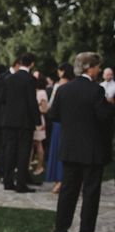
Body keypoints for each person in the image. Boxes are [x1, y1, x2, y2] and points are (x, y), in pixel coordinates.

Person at [50, 52, 115, 232]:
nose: (99, 71)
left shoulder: (63, 89)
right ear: (90, 67)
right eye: (97, 67)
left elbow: (55, 115)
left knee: (68, 192)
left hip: (70, 149)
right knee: (90, 194)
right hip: (92, 150)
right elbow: (104, 118)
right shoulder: (96, 91)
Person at [1, 52, 40, 193]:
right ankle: (21, 184)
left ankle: (7, 181)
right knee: (23, 152)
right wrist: (37, 120)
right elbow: (32, 101)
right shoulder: (30, 79)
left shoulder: (9, 79)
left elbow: (3, 99)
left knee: (10, 151)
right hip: (24, 121)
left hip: (9, 120)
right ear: (32, 64)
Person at [45, 63, 74, 194]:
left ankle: (59, 181)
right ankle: (63, 180)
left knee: (58, 150)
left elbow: (52, 105)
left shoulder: (59, 85)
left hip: (59, 122)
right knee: (66, 150)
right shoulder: (73, 84)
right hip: (70, 122)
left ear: (62, 72)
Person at [32, 76, 49, 175]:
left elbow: (44, 109)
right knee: (34, 143)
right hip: (34, 120)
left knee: (39, 144)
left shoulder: (42, 93)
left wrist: (34, 108)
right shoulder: (37, 92)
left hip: (39, 120)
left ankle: (40, 166)